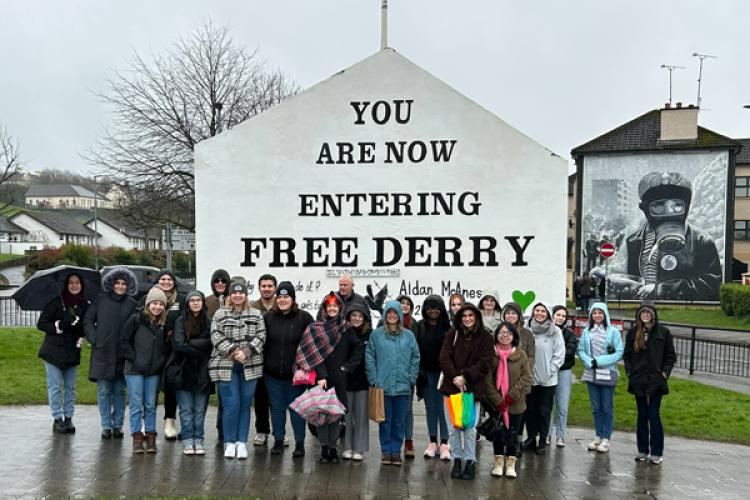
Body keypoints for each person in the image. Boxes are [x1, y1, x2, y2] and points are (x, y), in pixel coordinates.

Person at [625, 171, 721, 300]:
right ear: (645, 208)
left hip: (682, 311)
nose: (669, 212)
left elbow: (711, 285)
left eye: (677, 205)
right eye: (659, 205)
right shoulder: (634, 241)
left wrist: (661, 290)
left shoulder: (701, 241)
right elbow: (632, 278)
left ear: (686, 207)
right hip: (643, 309)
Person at [303, 292, 364, 464]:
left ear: (340, 308)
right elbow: (314, 353)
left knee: (335, 416)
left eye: (335, 306)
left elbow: (358, 348)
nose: (332, 308)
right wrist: (321, 375)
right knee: (322, 416)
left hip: (339, 378)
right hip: (322, 379)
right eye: (329, 306)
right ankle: (323, 447)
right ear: (324, 308)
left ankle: (332, 447)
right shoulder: (317, 328)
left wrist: (347, 367)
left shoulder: (346, 328)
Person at [209, 277, 265, 460]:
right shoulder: (220, 313)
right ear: (230, 295)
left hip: (250, 366)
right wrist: (234, 351)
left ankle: (241, 442)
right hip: (226, 365)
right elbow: (215, 335)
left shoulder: (256, 314)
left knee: (245, 405)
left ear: (246, 295)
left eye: (241, 292)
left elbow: (261, 335)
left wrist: (247, 352)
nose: (238, 295)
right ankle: (229, 442)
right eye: (235, 292)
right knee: (231, 405)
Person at [439, 303, 493, 481]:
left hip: (471, 390)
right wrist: (456, 378)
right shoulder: (452, 334)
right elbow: (444, 357)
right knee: (453, 428)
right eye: (464, 316)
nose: (467, 319)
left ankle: (470, 460)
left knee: (469, 429)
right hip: (452, 389)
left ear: (476, 316)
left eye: (471, 315)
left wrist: (466, 377)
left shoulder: (485, 337)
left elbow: (485, 362)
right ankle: (457, 459)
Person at [84, 266, 138, 439]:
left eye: (124, 284)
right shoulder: (100, 299)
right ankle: (106, 425)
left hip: (122, 355)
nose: (120, 286)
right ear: (112, 284)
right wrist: (94, 339)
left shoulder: (131, 303)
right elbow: (88, 320)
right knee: (104, 391)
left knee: (120, 392)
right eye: (118, 283)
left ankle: (118, 425)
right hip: (103, 353)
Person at [366, 300, 420, 466]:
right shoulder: (377, 335)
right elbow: (369, 356)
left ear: (399, 315)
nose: (391, 315)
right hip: (383, 387)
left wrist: (411, 377)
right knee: (385, 420)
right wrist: (374, 379)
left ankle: (396, 451)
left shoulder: (408, 336)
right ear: (385, 314)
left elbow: (415, 357)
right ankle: (386, 450)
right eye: (389, 312)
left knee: (399, 421)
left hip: (403, 387)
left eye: (395, 313)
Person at [262, 281, 313, 458]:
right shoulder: (268, 318)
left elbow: (312, 345)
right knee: (276, 409)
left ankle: (300, 443)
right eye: (280, 297)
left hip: (296, 376)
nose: (283, 300)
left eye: (287, 297)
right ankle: (278, 440)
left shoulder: (304, 318)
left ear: (293, 298)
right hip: (273, 374)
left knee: (297, 409)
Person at [623, 303, 676, 465]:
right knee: (642, 416)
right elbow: (627, 355)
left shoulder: (663, 333)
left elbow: (670, 356)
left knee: (654, 416)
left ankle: (657, 451)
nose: (645, 315)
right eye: (642, 313)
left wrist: (665, 373)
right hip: (639, 379)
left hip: (656, 380)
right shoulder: (633, 333)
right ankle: (643, 450)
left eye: (648, 313)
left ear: (653, 315)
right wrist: (630, 372)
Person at [37, 273, 90, 434]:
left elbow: (86, 326)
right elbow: (42, 324)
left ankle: (68, 417)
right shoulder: (55, 304)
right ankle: (57, 418)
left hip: (72, 351)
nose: (74, 286)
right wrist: (60, 323)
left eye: (77, 283)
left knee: (70, 387)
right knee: (55, 387)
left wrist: (78, 326)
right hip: (53, 351)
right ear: (66, 285)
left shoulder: (84, 305)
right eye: (71, 283)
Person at [138, 269, 185, 440]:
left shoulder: (180, 299)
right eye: (163, 279)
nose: (166, 282)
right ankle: (146, 421)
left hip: (173, 350)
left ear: (174, 282)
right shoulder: (148, 298)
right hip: (153, 350)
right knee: (150, 387)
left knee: (171, 386)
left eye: (169, 279)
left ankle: (170, 420)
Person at [120, 287, 169, 453]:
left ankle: (150, 435)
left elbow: (164, 348)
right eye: (154, 303)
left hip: (152, 371)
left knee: (150, 404)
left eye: (160, 304)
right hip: (134, 369)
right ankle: (136, 437)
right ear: (148, 304)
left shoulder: (162, 325)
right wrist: (135, 359)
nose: (157, 307)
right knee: (135, 404)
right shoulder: (136, 319)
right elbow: (124, 342)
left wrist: (159, 363)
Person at [483, 322, 531, 478]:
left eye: (508, 333)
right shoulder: (491, 355)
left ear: (514, 336)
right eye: (501, 332)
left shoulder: (521, 355)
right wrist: (498, 401)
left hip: (515, 403)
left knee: (513, 433)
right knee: (498, 433)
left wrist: (511, 396)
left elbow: (526, 377)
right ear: (496, 335)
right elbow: (487, 381)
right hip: (496, 403)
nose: (505, 336)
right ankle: (498, 463)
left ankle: (510, 464)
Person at [578, 302, 624, 453]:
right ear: (591, 315)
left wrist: (599, 361)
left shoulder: (613, 332)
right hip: (591, 372)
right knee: (596, 407)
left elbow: (618, 352)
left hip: (607, 373)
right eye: (594, 312)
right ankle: (598, 436)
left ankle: (606, 437)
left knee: (606, 407)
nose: (597, 315)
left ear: (605, 314)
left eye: (600, 312)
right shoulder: (586, 332)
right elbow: (581, 350)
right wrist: (588, 361)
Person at [172, 290, 214, 456]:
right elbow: (179, 344)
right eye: (192, 300)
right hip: (183, 370)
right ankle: (188, 439)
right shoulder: (181, 321)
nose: (195, 303)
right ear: (187, 303)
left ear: (203, 303)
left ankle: (199, 439)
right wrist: (200, 346)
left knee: (199, 409)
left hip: (203, 371)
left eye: (198, 300)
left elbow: (211, 342)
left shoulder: (208, 321)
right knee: (186, 409)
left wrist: (192, 343)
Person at [522, 303, 565, 455]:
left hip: (548, 380)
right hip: (530, 379)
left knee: (544, 411)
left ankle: (542, 440)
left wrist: (549, 371)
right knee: (530, 410)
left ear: (548, 313)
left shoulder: (555, 331)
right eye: (537, 311)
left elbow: (559, 355)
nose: (540, 313)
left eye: (543, 311)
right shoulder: (527, 330)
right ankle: (531, 438)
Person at [414, 295, 452, 460]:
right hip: (426, 374)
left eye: (436, 308)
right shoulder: (420, 326)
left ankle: (444, 443)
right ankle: (432, 442)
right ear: (425, 310)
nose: (433, 311)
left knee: (443, 410)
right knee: (431, 408)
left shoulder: (447, 327)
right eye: (430, 308)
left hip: (444, 374)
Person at [342, 302, 373, 461]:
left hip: (363, 381)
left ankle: (359, 448)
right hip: (345, 380)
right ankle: (347, 446)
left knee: (361, 416)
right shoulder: (343, 332)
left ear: (365, 318)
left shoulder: (370, 335)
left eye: (360, 316)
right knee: (347, 416)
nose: (356, 318)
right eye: (353, 315)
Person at [250, 273, 277, 448]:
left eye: (270, 286)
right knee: (260, 398)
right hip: (257, 359)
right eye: (263, 286)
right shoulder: (252, 307)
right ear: (259, 288)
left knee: (277, 399)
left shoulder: (281, 304)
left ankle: (278, 432)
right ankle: (261, 431)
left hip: (276, 358)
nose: (266, 289)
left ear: (275, 287)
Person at [205, 268, 230, 445]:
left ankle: (223, 430)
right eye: (217, 281)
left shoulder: (234, 300)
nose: (220, 284)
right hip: (210, 354)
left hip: (229, 356)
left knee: (225, 396)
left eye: (223, 281)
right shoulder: (206, 302)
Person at [548, 305, 578, 447]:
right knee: (547, 406)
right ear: (552, 316)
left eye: (563, 316)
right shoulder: (546, 331)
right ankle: (546, 435)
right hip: (547, 371)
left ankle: (560, 436)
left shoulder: (569, 334)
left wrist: (554, 358)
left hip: (564, 372)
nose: (560, 318)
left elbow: (570, 352)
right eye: (557, 315)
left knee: (562, 406)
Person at [395, 294, 417, 458]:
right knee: (391, 410)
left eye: (407, 303)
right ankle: (393, 442)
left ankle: (408, 441)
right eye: (401, 303)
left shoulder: (415, 325)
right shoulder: (384, 323)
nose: (404, 305)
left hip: (407, 375)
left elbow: (417, 352)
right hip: (390, 375)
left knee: (407, 410)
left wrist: (413, 375)